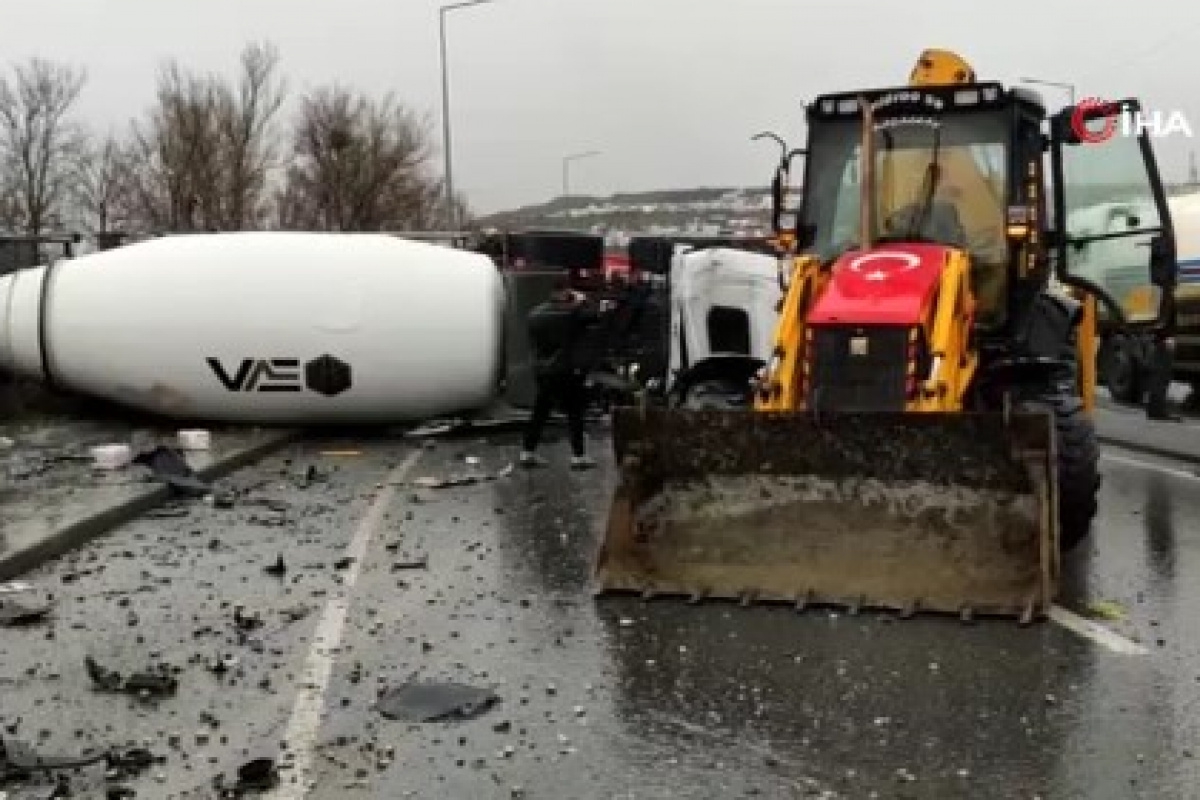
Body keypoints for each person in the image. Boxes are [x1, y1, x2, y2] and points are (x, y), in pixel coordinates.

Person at [519, 278, 606, 468]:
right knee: (575, 412)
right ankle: (579, 456)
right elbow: (597, 315)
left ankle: (527, 452)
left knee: (540, 412)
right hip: (565, 371)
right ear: (566, 291)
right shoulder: (573, 314)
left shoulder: (534, 314)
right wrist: (583, 300)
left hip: (542, 371)